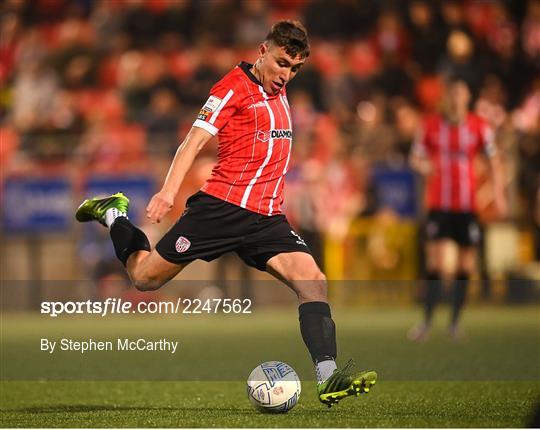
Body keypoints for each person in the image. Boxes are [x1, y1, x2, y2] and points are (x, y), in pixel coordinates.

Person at [76, 20, 376, 407]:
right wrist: (168, 191)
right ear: (262, 52)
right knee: (145, 278)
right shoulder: (232, 87)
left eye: (295, 68)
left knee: (313, 280)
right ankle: (115, 214)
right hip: (221, 209)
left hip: (267, 217)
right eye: (282, 63)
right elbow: (193, 141)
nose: (286, 75)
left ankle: (327, 377)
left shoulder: (277, 90)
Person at [408, 77, 507, 341]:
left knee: (466, 265)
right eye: (451, 96)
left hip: (467, 206)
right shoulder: (430, 125)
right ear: (446, 99)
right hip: (440, 204)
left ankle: (454, 323)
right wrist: (423, 166)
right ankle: (427, 323)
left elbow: (495, 160)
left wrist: (498, 193)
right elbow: (415, 156)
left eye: (460, 96)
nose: (455, 101)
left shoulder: (478, 126)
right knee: (438, 264)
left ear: (467, 99)